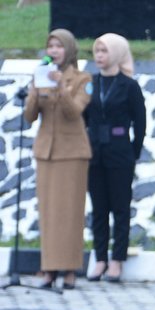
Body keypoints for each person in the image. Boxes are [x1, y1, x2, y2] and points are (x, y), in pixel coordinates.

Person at [23, 29, 91, 290]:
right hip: (46, 152)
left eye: (59, 47)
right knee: (49, 213)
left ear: (69, 50)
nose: (53, 51)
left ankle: (70, 269)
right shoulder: (42, 76)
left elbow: (74, 112)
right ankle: (49, 268)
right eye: (50, 46)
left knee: (70, 212)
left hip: (72, 152)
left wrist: (61, 87)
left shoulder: (83, 79)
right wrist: (34, 90)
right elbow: (30, 117)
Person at [85, 33, 146, 282]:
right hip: (95, 153)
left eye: (104, 51)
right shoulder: (91, 83)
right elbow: (83, 117)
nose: (99, 56)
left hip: (120, 152)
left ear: (117, 54)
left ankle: (117, 260)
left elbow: (140, 122)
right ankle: (100, 258)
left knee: (120, 209)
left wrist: (134, 152)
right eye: (97, 51)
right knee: (99, 209)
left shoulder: (128, 86)